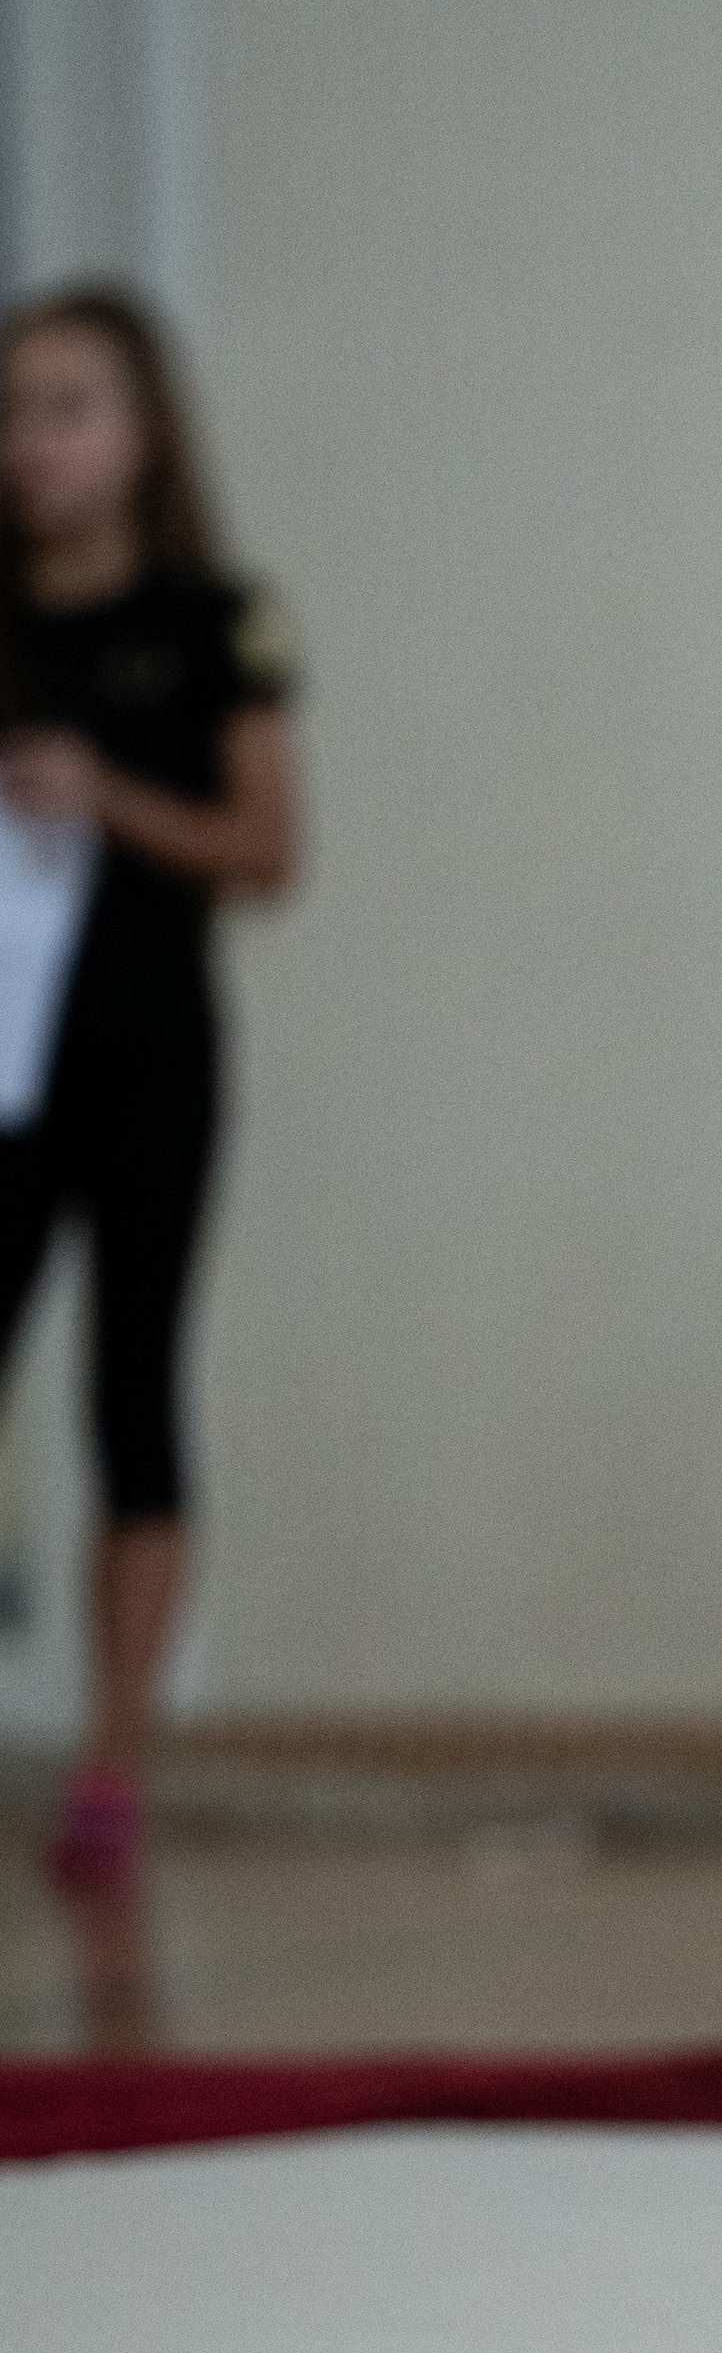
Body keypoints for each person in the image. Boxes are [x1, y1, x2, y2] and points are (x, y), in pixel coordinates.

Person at [0, 284, 303, 1891]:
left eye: (69, 406)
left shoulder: (211, 623)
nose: (34, 443)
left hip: (142, 1058)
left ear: (142, 432)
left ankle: (114, 1757)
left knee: (131, 1391)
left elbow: (267, 853)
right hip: (2, 1068)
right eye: (14, 409)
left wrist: (106, 794)